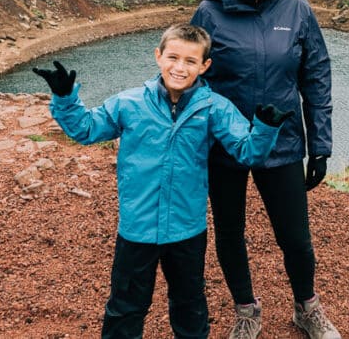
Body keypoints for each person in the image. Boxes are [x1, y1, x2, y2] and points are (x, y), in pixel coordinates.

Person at [33, 24, 291, 339]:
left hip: (186, 230)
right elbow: (86, 129)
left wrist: (265, 128)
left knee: (190, 305)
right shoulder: (128, 103)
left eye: (190, 61)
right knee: (125, 308)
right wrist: (65, 98)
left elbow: (247, 151)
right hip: (136, 229)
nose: (179, 68)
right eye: (173, 57)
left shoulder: (214, 108)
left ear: (204, 66)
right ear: (158, 56)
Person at [191, 0, 341, 339]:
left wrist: (321, 146)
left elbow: (316, 78)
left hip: (283, 141)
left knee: (295, 235)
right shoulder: (208, 13)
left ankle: (307, 309)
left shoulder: (298, 10)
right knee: (229, 231)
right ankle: (246, 310)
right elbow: (189, 74)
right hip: (225, 144)